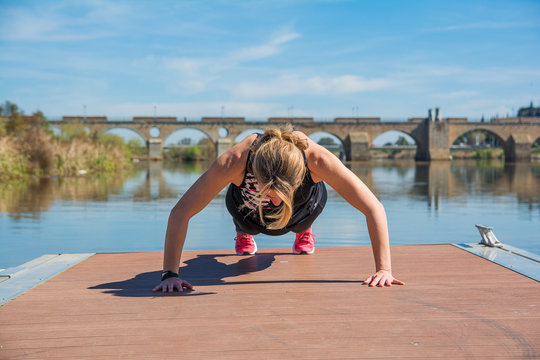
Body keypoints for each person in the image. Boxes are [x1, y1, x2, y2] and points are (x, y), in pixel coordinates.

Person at [152, 126, 404, 293]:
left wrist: (384, 269)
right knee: (248, 218)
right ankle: (243, 231)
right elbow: (180, 212)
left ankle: (303, 230)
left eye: (282, 194)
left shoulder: (316, 159)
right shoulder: (236, 160)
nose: (275, 202)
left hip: (302, 211)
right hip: (248, 211)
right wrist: (169, 275)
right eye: (269, 193)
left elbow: (373, 207)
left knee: (300, 218)